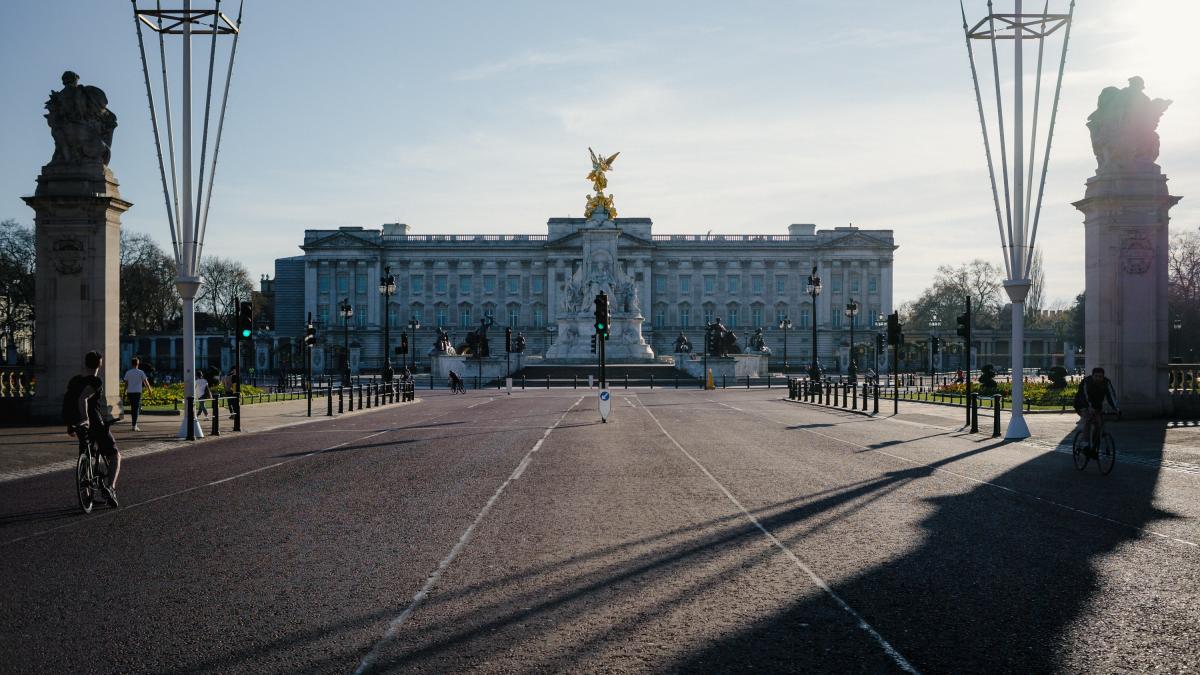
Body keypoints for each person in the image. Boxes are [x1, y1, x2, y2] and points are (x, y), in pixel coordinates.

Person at [65, 351, 121, 507]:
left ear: (85, 363)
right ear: (100, 364)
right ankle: (110, 488)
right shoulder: (96, 381)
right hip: (94, 423)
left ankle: (88, 496)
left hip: (77, 423)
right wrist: (87, 419)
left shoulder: (75, 380)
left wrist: (70, 424)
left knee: (87, 456)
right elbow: (82, 398)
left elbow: (69, 401)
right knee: (115, 455)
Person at [1073, 367, 1120, 456]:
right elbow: (1085, 396)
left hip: (1096, 406)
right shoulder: (1087, 382)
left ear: (1103, 377)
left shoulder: (1106, 382)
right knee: (1088, 419)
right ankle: (1085, 444)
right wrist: (1089, 407)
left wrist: (1116, 408)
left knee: (1099, 425)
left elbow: (1111, 395)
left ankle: (1094, 447)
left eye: (1100, 376)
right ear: (1092, 375)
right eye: (1096, 376)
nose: (1098, 378)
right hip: (1082, 403)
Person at [123, 357, 152, 431]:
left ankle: (134, 423)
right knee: (136, 409)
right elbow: (146, 382)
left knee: (133, 408)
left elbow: (126, 384)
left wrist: (124, 392)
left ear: (131, 364)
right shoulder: (141, 372)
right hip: (137, 392)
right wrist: (149, 390)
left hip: (130, 392)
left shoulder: (128, 372)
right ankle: (134, 425)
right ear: (138, 364)